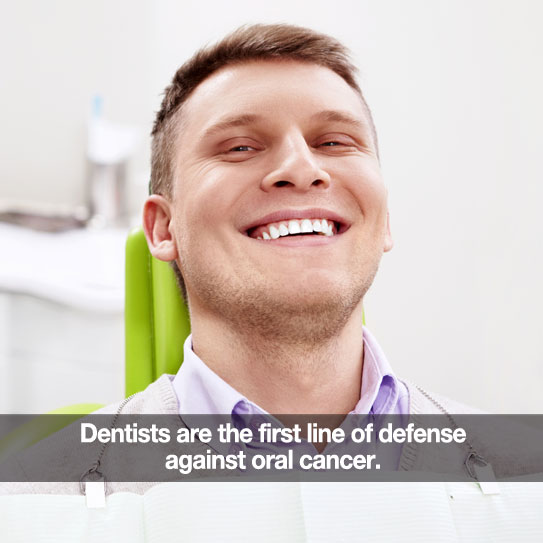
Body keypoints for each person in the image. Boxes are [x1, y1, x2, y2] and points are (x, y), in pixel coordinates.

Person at [3, 23, 537, 505]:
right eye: (238, 147)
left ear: (386, 218)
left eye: (334, 141)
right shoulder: (31, 503)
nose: (302, 169)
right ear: (163, 229)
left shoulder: (527, 477)